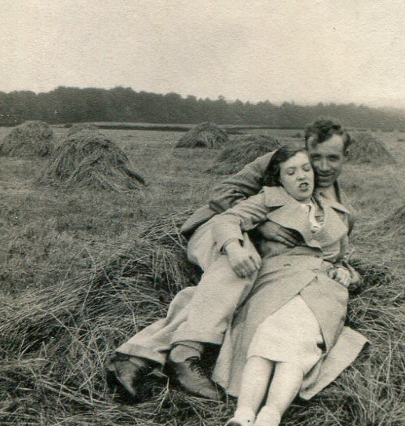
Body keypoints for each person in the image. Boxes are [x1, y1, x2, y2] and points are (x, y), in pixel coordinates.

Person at [106, 118, 358, 401]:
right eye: (315, 157)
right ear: (305, 149)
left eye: (332, 158)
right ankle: (185, 354)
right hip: (221, 227)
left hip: (259, 245)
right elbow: (222, 195)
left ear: (345, 157)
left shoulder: (337, 201)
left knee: (229, 295)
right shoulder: (281, 161)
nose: (322, 166)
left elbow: (333, 247)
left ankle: (136, 357)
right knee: (240, 267)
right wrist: (261, 225)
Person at [207, 145, 368, 426]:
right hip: (277, 281)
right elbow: (225, 220)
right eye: (291, 172)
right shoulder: (269, 200)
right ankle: (243, 416)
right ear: (279, 179)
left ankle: (270, 418)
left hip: (322, 290)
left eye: (306, 169)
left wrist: (346, 274)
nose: (301, 177)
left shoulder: (338, 213)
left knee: (299, 343)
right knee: (266, 336)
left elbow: (343, 260)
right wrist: (234, 248)